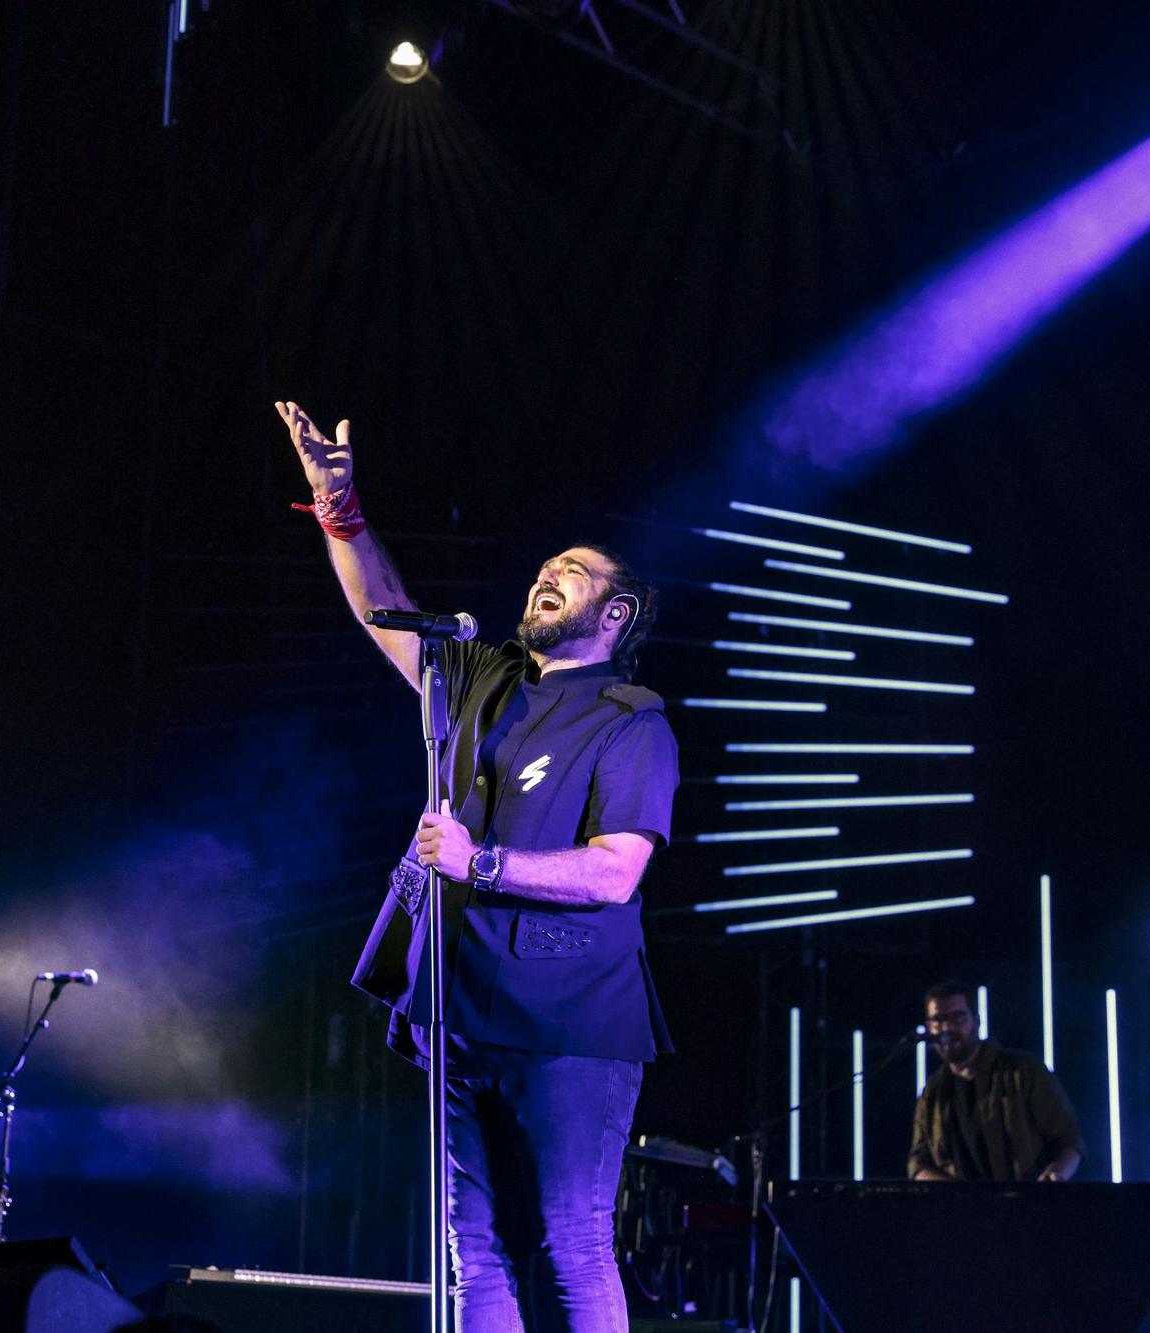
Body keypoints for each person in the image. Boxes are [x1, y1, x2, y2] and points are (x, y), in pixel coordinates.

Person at [277, 402, 679, 1333]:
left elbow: (616, 873)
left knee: (573, 1238)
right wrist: (339, 505)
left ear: (613, 614)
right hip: (459, 1004)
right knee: (474, 1243)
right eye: (545, 568)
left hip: (573, 1020)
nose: (549, 576)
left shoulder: (631, 720)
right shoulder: (486, 676)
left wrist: (481, 860)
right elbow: (388, 614)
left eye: (572, 575)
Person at [908, 979, 1084, 1182]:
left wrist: (1056, 1175)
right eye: (937, 1020)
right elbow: (918, 1163)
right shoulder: (933, 1091)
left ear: (976, 1020)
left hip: (1026, 1206)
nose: (946, 1028)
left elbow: (1068, 1141)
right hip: (960, 1212)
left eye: (957, 1018)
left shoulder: (1024, 1071)